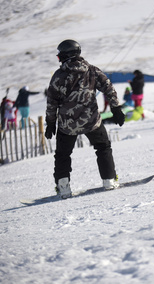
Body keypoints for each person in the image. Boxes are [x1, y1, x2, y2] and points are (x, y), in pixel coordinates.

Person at [45, 39, 125, 199]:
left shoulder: (59, 76)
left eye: (60, 56)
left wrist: (51, 122)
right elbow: (108, 87)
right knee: (103, 148)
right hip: (91, 120)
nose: (59, 59)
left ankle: (63, 188)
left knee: (62, 155)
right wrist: (116, 108)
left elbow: (52, 101)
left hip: (67, 124)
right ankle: (109, 180)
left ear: (65, 56)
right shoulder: (91, 70)